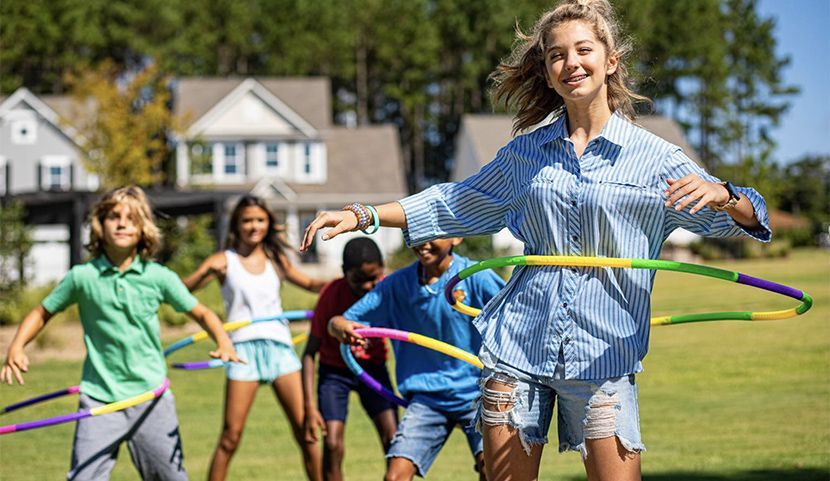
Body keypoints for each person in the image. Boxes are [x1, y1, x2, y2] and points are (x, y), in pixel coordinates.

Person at [300, 0, 772, 479]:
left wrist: (728, 196)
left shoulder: (657, 160)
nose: (571, 63)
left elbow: (749, 222)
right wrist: (362, 215)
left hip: (604, 354)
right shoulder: (525, 154)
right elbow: (454, 203)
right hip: (517, 347)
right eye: (556, 56)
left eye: (583, 49)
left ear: (610, 61)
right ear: (547, 73)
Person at [1, 186, 240, 481]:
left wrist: (224, 341)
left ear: (143, 229)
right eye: (114, 216)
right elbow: (42, 312)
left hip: (151, 398)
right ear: (100, 224)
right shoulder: (82, 277)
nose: (122, 223)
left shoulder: (158, 277)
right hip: (100, 399)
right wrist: (17, 347)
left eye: (131, 218)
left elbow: (201, 312)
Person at [328, 238, 506, 480]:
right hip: (427, 398)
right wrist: (338, 326)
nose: (423, 242)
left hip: (479, 393)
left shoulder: (477, 277)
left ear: (456, 236)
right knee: (395, 476)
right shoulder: (396, 285)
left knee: (493, 469)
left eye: (433, 233)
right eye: (416, 233)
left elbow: (516, 321)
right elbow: (342, 320)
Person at [184, 195, 326, 481]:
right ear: (237, 223)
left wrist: (344, 286)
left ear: (268, 223)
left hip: (280, 347)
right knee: (230, 436)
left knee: (307, 433)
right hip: (242, 350)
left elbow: (310, 284)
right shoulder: (223, 261)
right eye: (247, 220)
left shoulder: (276, 259)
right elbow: (180, 292)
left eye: (260, 220)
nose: (254, 226)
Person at [301, 237, 397, 481]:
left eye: (373, 277)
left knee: (394, 440)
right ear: (344, 272)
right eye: (358, 279)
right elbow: (310, 353)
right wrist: (310, 408)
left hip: (373, 369)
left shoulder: (387, 290)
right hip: (334, 374)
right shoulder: (331, 295)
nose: (367, 286)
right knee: (332, 443)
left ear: (382, 267)